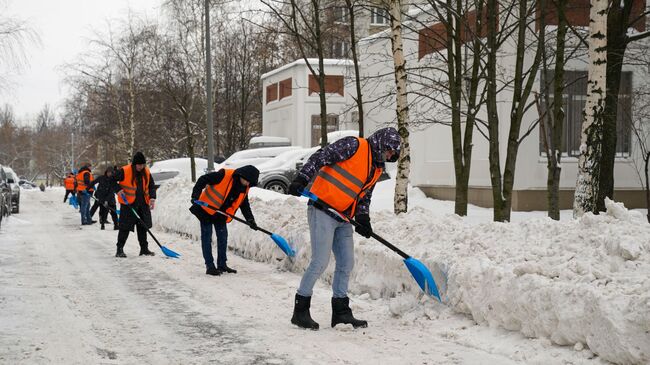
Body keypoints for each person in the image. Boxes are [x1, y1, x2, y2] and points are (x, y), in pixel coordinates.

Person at [287, 127, 401, 330]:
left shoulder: (376, 168)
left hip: (343, 217)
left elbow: (364, 196)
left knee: (346, 262)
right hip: (322, 209)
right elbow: (321, 156)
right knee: (320, 261)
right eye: (390, 150)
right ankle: (300, 310)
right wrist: (302, 178)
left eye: (394, 152)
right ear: (381, 143)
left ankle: (341, 312)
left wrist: (363, 217)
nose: (391, 154)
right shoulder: (354, 145)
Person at [189, 165, 259, 276]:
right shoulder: (223, 175)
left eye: (250, 183)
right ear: (242, 176)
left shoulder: (244, 187)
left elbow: (244, 205)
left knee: (223, 238)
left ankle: (222, 264)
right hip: (206, 209)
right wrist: (195, 195)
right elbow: (203, 179)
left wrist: (251, 220)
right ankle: (210, 266)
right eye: (247, 181)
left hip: (220, 214)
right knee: (207, 237)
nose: (247, 184)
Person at [113, 152, 156, 258]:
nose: (141, 167)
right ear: (134, 164)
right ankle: (119, 249)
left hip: (143, 204)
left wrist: (152, 198)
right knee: (125, 228)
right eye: (139, 165)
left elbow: (151, 185)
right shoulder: (125, 171)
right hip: (128, 205)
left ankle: (144, 249)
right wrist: (118, 190)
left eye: (143, 165)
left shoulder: (146, 171)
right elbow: (111, 180)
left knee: (143, 227)